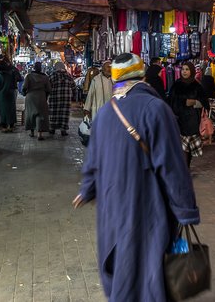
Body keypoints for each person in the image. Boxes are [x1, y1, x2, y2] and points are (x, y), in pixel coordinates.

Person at [73, 53, 200, 302]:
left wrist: (87, 190)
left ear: (116, 80)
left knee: (122, 268)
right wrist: (186, 211)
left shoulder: (105, 115)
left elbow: (92, 162)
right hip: (146, 207)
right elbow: (173, 167)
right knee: (148, 272)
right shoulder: (156, 109)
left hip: (111, 208)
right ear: (142, 76)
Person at [169, 61, 209, 166]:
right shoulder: (176, 85)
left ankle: (186, 167)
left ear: (191, 71)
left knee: (189, 148)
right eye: (183, 69)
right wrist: (182, 103)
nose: (184, 72)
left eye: (187, 69)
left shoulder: (197, 86)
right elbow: (171, 101)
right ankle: (183, 167)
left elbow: (205, 103)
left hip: (192, 121)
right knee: (181, 147)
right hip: (179, 120)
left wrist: (195, 102)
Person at [23, 62, 51, 140]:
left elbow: (24, 87)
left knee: (30, 114)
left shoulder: (29, 76)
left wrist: (24, 93)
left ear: (34, 68)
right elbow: (49, 89)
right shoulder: (45, 77)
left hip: (30, 96)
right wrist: (45, 96)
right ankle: (39, 134)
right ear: (41, 68)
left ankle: (32, 133)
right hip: (41, 96)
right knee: (40, 115)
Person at [49, 62, 76, 136]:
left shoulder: (52, 76)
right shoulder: (69, 76)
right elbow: (74, 87)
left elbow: (48, 87)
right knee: (64, 114)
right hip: (66, 99)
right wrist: (73, 96)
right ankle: (63, 130)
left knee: (54, 114)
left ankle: (52, 129)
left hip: (54, 99)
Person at [0, 58, 17, 133]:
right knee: (11, 110)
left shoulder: (0, 75)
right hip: (11, 94)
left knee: (3, 111)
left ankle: (5, 127)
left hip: (3, 96)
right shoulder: (11, 73)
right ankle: (11, 126)